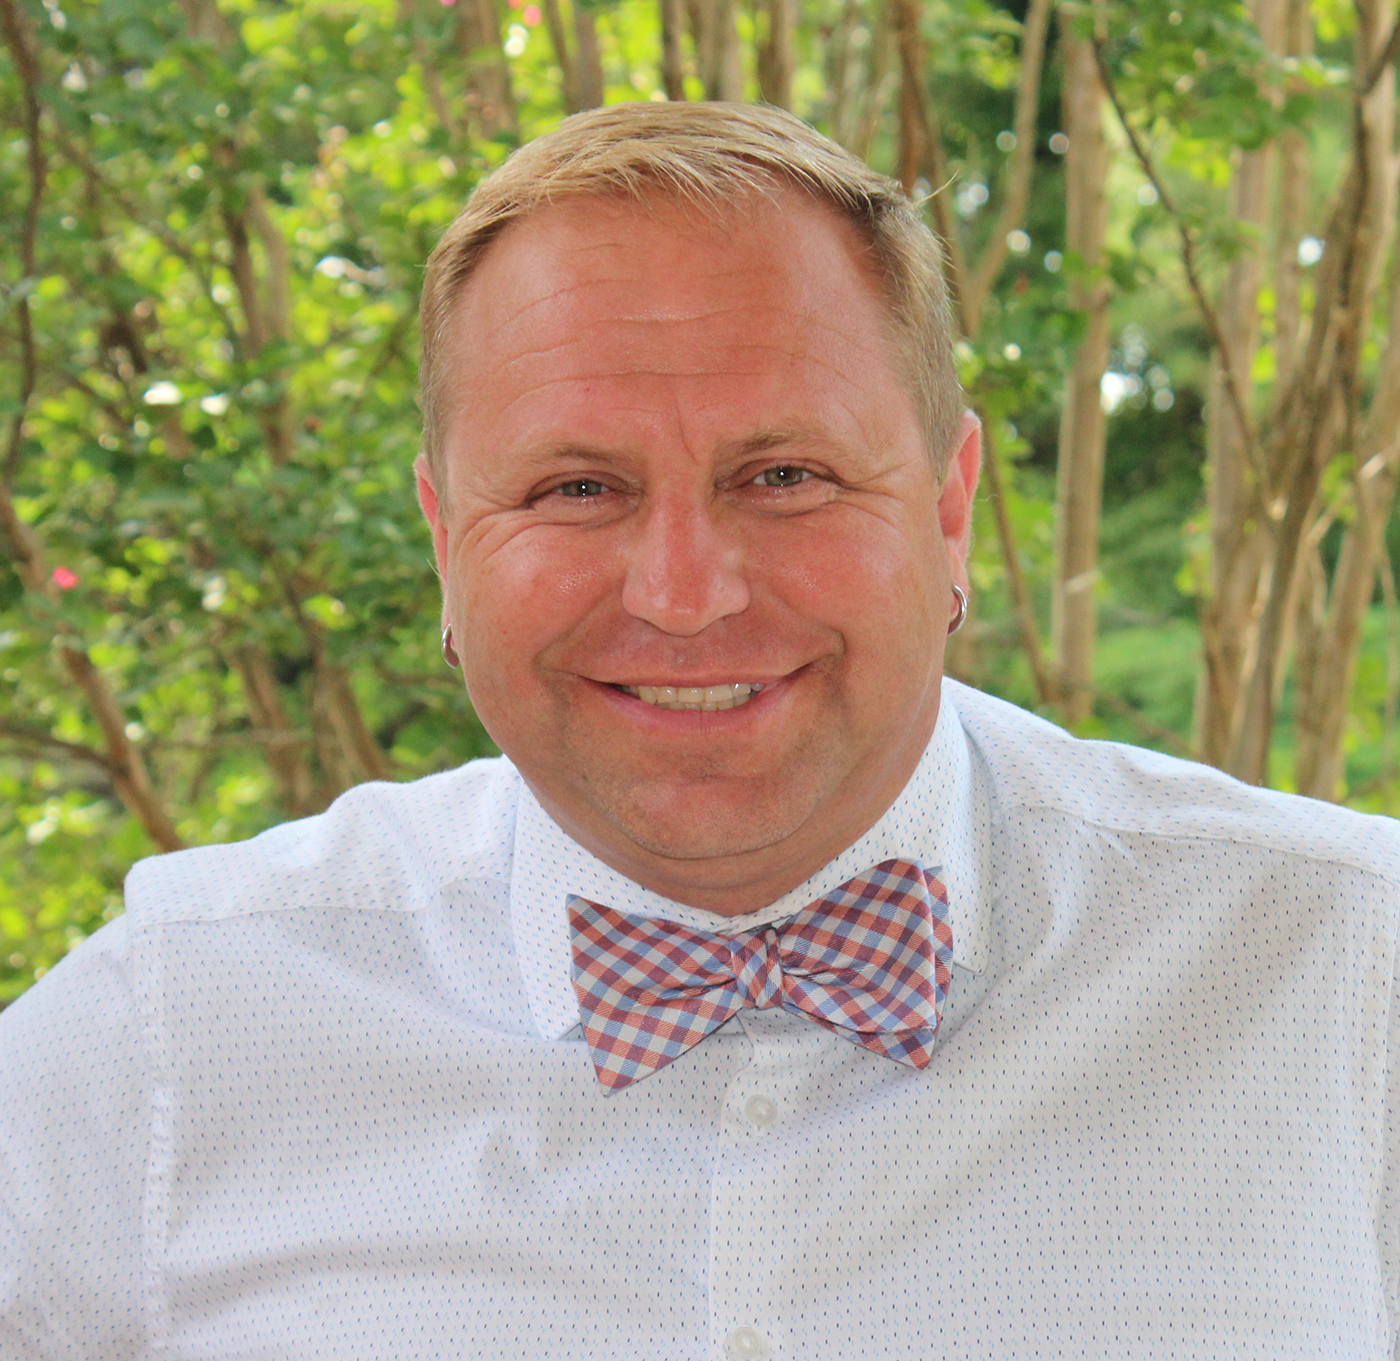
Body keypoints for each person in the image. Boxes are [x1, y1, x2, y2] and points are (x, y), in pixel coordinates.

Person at [2, 102, 1399, 1361]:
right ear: (445, 537)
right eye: (575, 488)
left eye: (785, 474)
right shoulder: (171, 1037)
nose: (684, 595)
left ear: (950, 499)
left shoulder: (1350, 978)